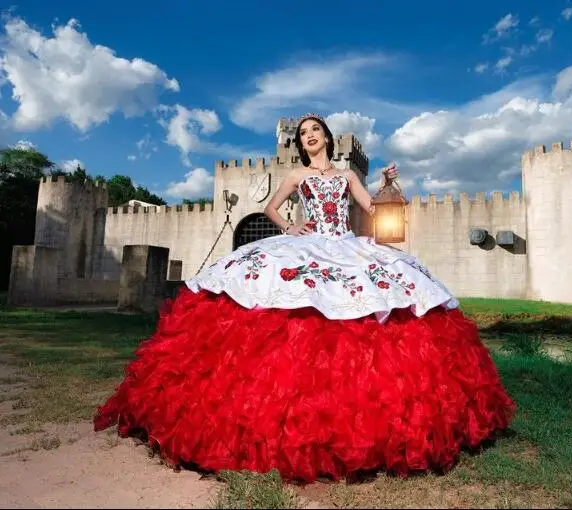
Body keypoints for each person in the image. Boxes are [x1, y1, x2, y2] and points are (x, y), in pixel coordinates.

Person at [93, 113, 515, 483]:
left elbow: (370, 207)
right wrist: (290, 229)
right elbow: (273, 208)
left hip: (345, 244)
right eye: (304, 134)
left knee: (371, 308)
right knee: (286, 304)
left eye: (316, 131)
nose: (310, 136)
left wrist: (387, 183)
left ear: (328, 138)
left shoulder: (348, 176)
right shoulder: (297, 177)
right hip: (308, 243)